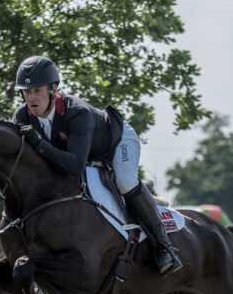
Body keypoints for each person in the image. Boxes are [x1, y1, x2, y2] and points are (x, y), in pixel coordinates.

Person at [11, 55, 182, 275]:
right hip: (86, 155)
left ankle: (164, 245)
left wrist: (38, 143)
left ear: (53, 88)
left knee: (125, 180)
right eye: (26, 92)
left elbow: (73, 165)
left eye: (37, 90)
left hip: (117, 142)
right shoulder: (22, 116)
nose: (31, 98)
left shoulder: (76, 112)